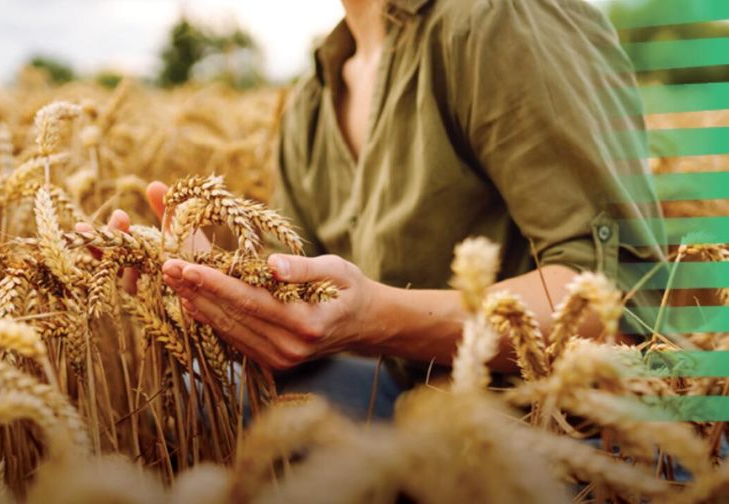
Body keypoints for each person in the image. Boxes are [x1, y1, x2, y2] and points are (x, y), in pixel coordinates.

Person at [104, 0, 663, 420]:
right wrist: (203, 280)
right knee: (208, 399)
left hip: (570, 431)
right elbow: (300, 291)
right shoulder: (313, 98)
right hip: (413, 408)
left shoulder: (499, 20)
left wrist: (377, 317)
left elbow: (617, 316)